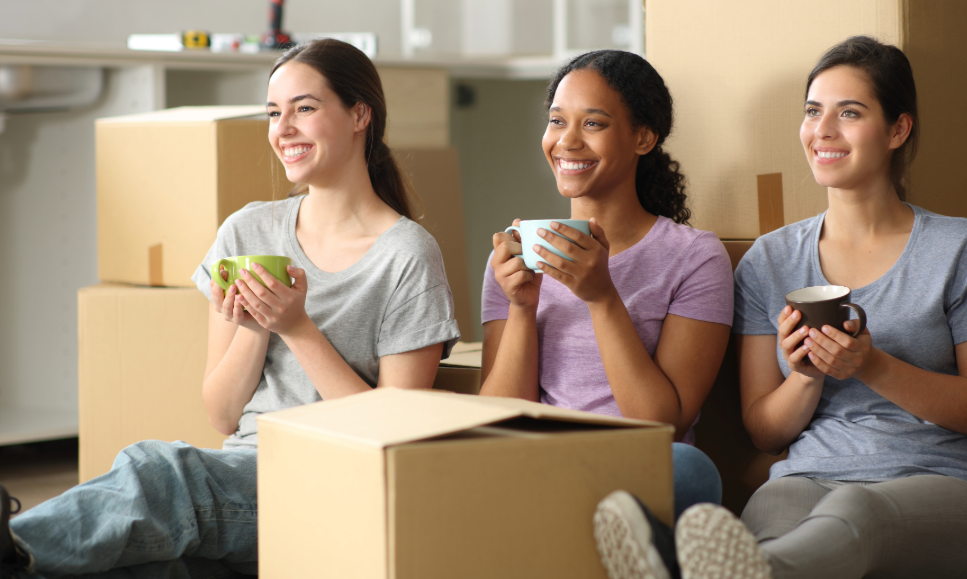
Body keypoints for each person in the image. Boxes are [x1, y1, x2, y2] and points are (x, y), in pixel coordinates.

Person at [0, 39, 460, 579]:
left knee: (159, 472)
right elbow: (220, 415)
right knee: (139, 566)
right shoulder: (247, 230)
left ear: (360, 114)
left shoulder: (408, 255)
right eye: (273, 113)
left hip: (338, 479)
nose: (282, 128)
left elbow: (395, 434)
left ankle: (13, 548)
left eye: (304, 109)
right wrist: (256, 328)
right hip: (242, 469)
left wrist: (297, 328)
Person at [595, 35, 967, 579]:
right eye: (813, 111)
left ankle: (704, 569)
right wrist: (803, 376)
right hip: (808, 477)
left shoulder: (961, 249)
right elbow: (765, 432)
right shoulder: (769, 261)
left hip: (949, 487)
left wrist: (871, 365)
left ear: (898, 129)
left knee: (857, 512)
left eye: (849, 113)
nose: (823, 130)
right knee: (770, 516)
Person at [480, 50, 734, 541]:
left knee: (690, 468)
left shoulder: (695, 256)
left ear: (643, 137)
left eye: (592, 123)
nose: (567, 141)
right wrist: (521, 307)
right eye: (557, 121)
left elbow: (661, 426)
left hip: (631, 466)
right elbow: (495, 418)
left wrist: (602, 298)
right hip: (537, 459)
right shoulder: (516, 256)